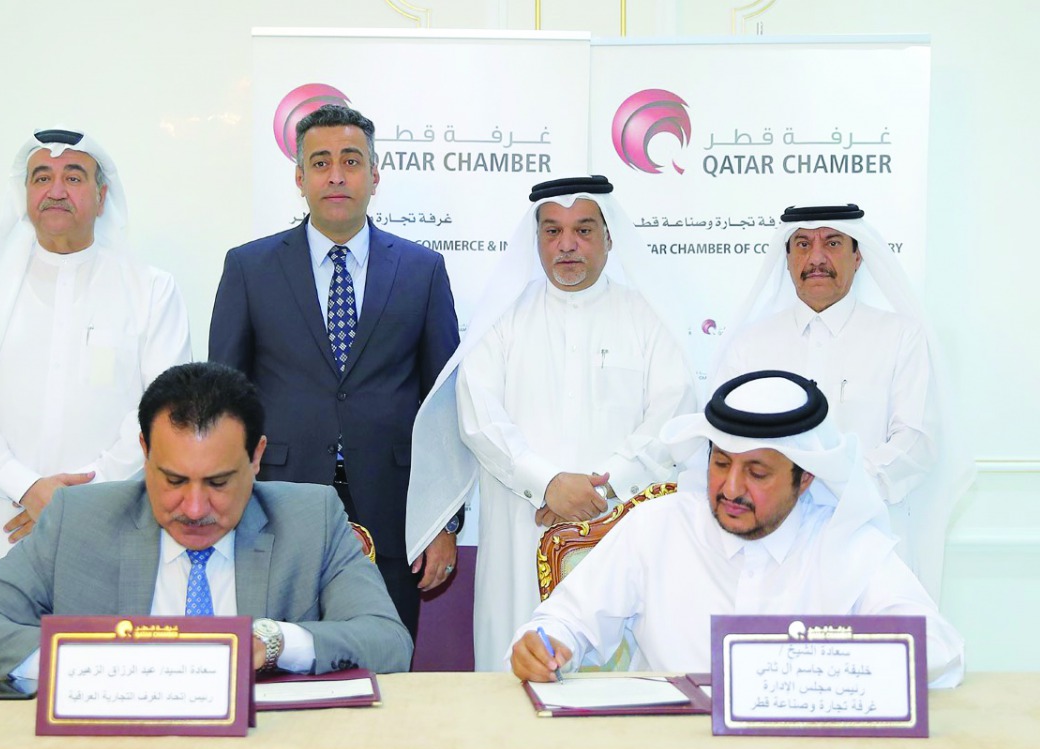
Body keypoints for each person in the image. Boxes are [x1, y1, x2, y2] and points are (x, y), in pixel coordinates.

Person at [0, 362, 413, 679]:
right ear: (144, 453)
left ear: (257, 458)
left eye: (219, 483)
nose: (195, 508)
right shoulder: (78, 519)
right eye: (174, 480)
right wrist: (92, 662)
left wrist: (274, 639)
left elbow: (388, 641)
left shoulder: (312, 518)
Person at [510, 370, 964, 688]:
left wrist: (828, 663)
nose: (730, 488)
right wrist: (545, 644)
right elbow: (565, 621)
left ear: (804, 478)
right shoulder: (657, 528)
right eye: (720, 463)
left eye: (757, 473)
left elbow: (936, 650)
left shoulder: (845, 544)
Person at [406, 175, 696, 671]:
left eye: (583, 230)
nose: (567, 245)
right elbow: (479, 418)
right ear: (535, 238)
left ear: (609, 237)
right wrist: (547, 485)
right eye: (552, 231)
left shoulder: (647, 316)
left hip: (621, 525)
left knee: (621, 682)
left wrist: (600, 491)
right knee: (513, 678)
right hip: (522, 526)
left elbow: (672, 416)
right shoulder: (502, 318)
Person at [208, 105, 460, 638]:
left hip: (395, 507)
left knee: (383, 655)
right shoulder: (249, 268)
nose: (337, 175)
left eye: (352, 160)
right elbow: (224, 398)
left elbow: (444, 403)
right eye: (320, 163)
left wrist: (443, 522)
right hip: (276, 501)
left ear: (375, 174)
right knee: (276, 654)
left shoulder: (422, 270)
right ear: (300, 178)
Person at [0, 128, 192, 590]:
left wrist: (78, 501)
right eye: (41, 177)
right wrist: (26, 487)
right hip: (1, 522)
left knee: (104, 658)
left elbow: (164, 408)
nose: (56, 191)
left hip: (111, 519)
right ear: (25, 194)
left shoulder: (151, 291)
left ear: (102, 195)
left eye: (74, 176)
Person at [712, 204, 972, 599]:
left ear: (857, 255)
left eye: (832, 243)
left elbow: (917, 441)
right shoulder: (750, 344)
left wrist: (842, 486)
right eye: (802, 244)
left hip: (870, 535)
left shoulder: (901, 337)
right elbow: (726, 442)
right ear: (787, 259)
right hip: (771, 543)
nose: (816, 257)